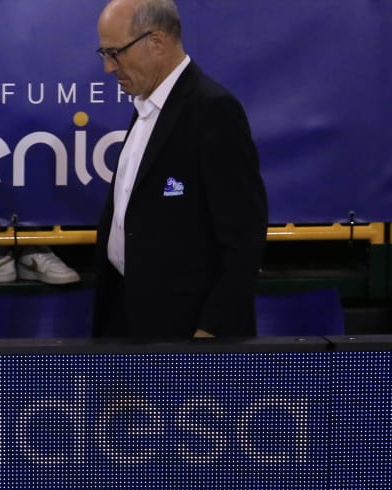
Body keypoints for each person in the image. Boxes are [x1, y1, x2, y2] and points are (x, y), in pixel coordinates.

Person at [92, 0, 267, 339]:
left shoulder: (213, 111)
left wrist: (212, 329)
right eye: (104, 54)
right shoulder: (147, 105)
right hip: (128, 318)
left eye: (115, 53)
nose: (109, 69)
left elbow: (243, 237)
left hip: (186, 333)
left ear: (156, 42)